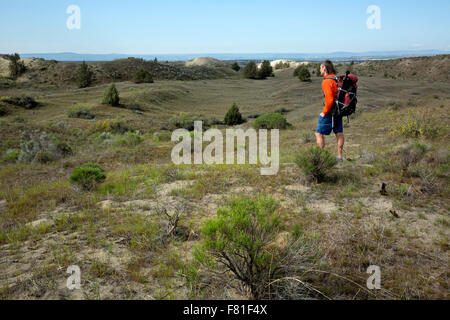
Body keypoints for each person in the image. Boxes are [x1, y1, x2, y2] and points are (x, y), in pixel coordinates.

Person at [315, 60, 344, 161]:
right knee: (339, 133)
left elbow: (330, 99)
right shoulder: (335, 78)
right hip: (338, 110)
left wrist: (324, 112)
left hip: (330, 111)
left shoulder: (327, 81)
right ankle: (339, 156)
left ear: (324, 68)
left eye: (320, 68)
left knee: (318, 133)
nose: (320, 70)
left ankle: (320, 159)